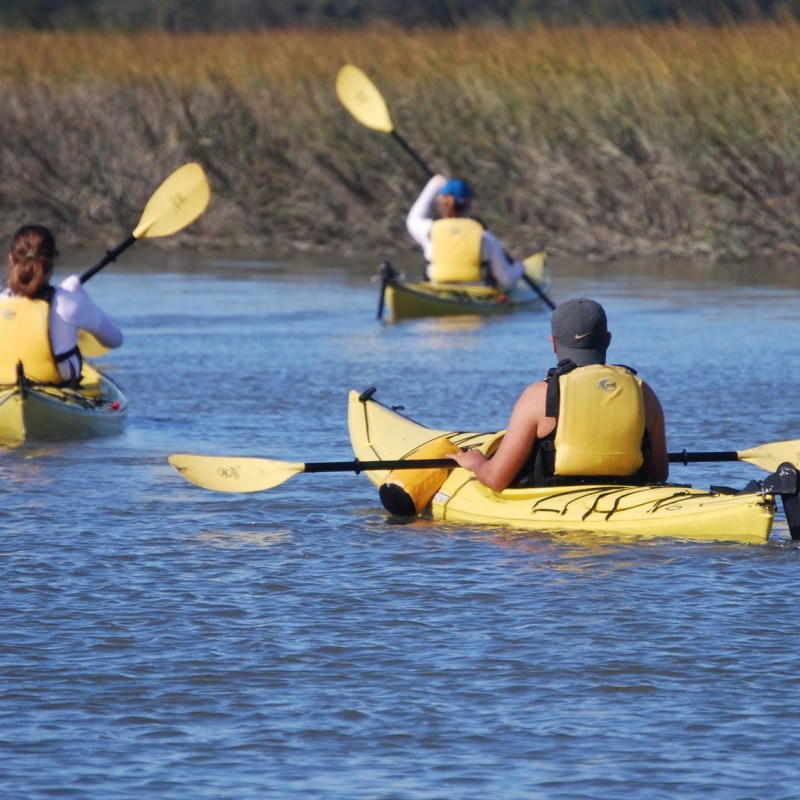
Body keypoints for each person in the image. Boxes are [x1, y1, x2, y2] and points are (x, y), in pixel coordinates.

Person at [448, 298, 669, 490]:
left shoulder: (539, 395)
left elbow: (495, 479)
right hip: (628, 497)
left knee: (503, 540)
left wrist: (476, 462)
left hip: (554, 510)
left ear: (553, 343)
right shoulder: (643, 392)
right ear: (608, 339)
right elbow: (658, 475)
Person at [0, 224, 123, 386]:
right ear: (53, 260)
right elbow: (115, 340)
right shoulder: (68, 301)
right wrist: (80, 298)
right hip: (57, 386)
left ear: (11, 259)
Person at [405, 174, 524, 291]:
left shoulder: (430, 232)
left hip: (438, 295)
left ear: (442, 204)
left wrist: (435, 183)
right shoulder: (484, 237)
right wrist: (520, 267)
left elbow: (413, 218)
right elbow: (506, 280)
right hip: (478, 299)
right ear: (469, 204)